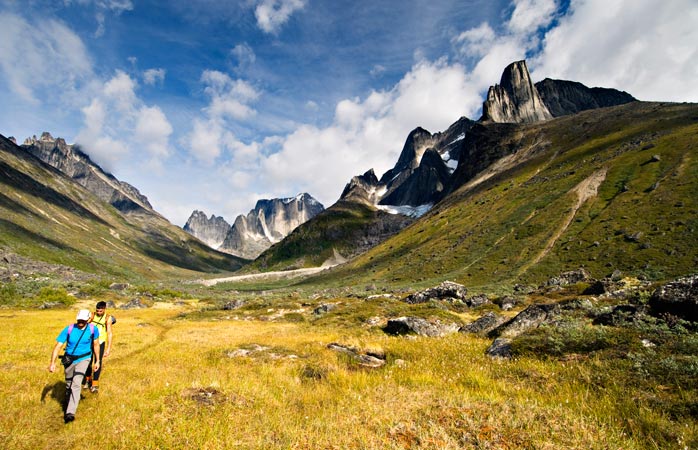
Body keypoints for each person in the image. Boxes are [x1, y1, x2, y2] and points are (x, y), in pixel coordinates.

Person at [48, 309, 100, 424]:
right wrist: (52, 363)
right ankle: (68, 396)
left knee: (76, 383)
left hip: (84, 358)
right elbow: (58, 346)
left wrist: (97, 361)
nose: (81, 322)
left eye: (83, 320)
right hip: (69, 359)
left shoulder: (93, 329)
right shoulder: (69, 329)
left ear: (88, 320)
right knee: (69, 383)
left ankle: (70, 413)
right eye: (79, 320)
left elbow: (96, 345)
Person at [84, 300, 113, 393]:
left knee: (98, 361)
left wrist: (108, 348)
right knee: (88, 361)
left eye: (100, 311)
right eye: (97, 310)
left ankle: (95, 384)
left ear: (104, 309)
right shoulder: (91, 315)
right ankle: (88, 380)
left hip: (100, 342)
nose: (99, 312)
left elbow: (109, 333)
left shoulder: (108, 318)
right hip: (89, 342)